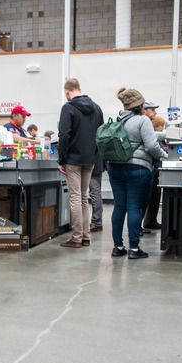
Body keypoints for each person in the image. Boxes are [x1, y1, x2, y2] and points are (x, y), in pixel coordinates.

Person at [108, 88, 167, 259]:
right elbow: (151, 146)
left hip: (115, 168)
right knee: (134, 206)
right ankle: (134, 249)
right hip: (138, 169)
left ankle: (118, 247)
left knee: (119, 207)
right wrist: (165, 156)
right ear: (140, 105)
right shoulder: (142, 120)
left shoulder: (117, 119)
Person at [57, 78, 103, 248]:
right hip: (90, 159)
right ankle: (86, 236)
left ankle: (76, 238)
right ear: (79, 89)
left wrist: (62, 159)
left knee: (75, 198)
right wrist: (94, 154)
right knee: (84, 198)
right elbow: (101, 135)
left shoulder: (68, 107)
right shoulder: (97, 108)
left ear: (67, 91)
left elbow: (64, 135)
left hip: (74, 160)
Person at [142, 115, 167, 231]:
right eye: (160, 125)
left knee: (155, 197)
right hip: (154, 169)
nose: (162, 128)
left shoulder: (159, 138)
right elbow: (157, 150)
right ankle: (148, 221)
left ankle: (151, 220)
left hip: (156, 170)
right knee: (151, 198)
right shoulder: (154, 138)